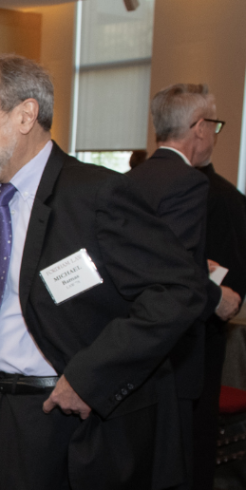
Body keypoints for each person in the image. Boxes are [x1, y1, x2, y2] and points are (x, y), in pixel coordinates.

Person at [0, 54, 207, 489]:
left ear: (26, 115)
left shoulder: (98, 194)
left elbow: (179, 291)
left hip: (64, 420)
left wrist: (90, 378)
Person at [125, 83, 242, 490]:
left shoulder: (125, 182)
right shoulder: (197, 186)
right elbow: (176, 272)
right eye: (215, 124)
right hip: (183, 349)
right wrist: (216, 294)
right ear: (199, 127)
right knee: (182, 461)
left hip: (132, 346)